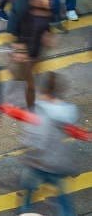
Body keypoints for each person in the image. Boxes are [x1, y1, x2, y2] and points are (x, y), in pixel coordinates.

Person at [18, 72, 78, 215]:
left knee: (27, 188)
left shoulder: (38, 110)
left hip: (38, 162)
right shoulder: (68, 110)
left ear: (42, 90)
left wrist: (26, 150)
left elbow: (32, 138)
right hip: (58, 163)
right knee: (62, 197)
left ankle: (25, 210)